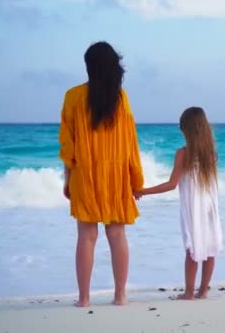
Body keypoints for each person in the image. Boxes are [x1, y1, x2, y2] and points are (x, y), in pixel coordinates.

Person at [59, 41, 144, 307]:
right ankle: (120, 296)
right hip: (116, 175)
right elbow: (131, 143)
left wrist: (68, 178)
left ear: (89, 67)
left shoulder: (72, 96)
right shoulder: (122, 98)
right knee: (117, 235)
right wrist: (135, 179)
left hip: (85, 173)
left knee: (86, 237)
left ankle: (83, 299)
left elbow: (68, 143)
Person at [135, 107, 223, 300]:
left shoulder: (183, 153)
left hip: (194, 207)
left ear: (187, 130)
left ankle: (189, 293)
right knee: (209, 248)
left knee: (193, 247)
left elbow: (171, 184)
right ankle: (203, 291)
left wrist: (143, 191)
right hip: (209, 206)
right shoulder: (211, 153)